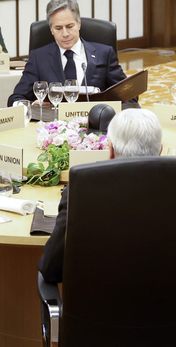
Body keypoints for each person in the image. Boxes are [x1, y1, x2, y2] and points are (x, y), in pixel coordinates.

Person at [39, 108, 163, 283]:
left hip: (96, 308)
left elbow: (51, 269)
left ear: (110, 151)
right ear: (161, 150)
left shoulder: (81, 191)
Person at [8, 0, 127, 106]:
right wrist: (32, 106)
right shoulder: (39, 58)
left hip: (96, 123)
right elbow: (16, 98)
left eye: (70, 26)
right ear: (51, 30)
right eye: (58, 28)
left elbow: (128, 95)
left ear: (79, 24)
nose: (65, 34)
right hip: (53, 124)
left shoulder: (104, 54)